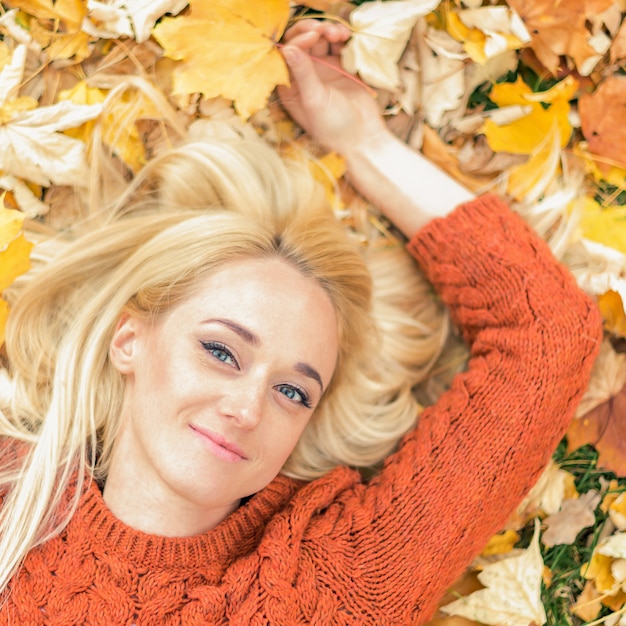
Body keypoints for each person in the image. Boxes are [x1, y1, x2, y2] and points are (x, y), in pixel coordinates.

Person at [0, 20, 601, 625]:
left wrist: (367, 144)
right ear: (127, 340)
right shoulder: (13, 500)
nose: (248, 408)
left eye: (292, 391)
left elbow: (546, 336)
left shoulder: (340, 580)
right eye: (222, 351)